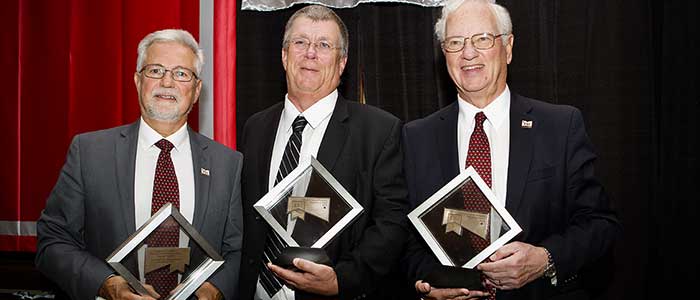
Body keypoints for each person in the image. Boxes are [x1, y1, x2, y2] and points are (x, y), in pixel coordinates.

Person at [402, 0, 621, 299]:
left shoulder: (559, 126)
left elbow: (600, 224)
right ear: (444, 54)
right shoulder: (416, 137)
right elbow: (405, 242)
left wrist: (546, 259)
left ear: (508, 47)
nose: (468, 53)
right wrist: (425, 286)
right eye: (455, 42)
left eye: (482, 39)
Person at [35, 29, 243, 300]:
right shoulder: (89, 153)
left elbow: (238, 251)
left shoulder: (228, 163)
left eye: (181, 73)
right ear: (137, 80)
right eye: (156, 70)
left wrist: (214, 289)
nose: (167, 82)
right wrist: (108, 285)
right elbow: (53, 241)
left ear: (196, 90)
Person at [237, 5, 410, 300]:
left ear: (342, 63)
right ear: (284, 55)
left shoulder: (379, 131)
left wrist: (341, 281)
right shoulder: (256, 127)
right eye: (300, 42)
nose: (310, 53)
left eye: (324, 45)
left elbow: (391, 224)